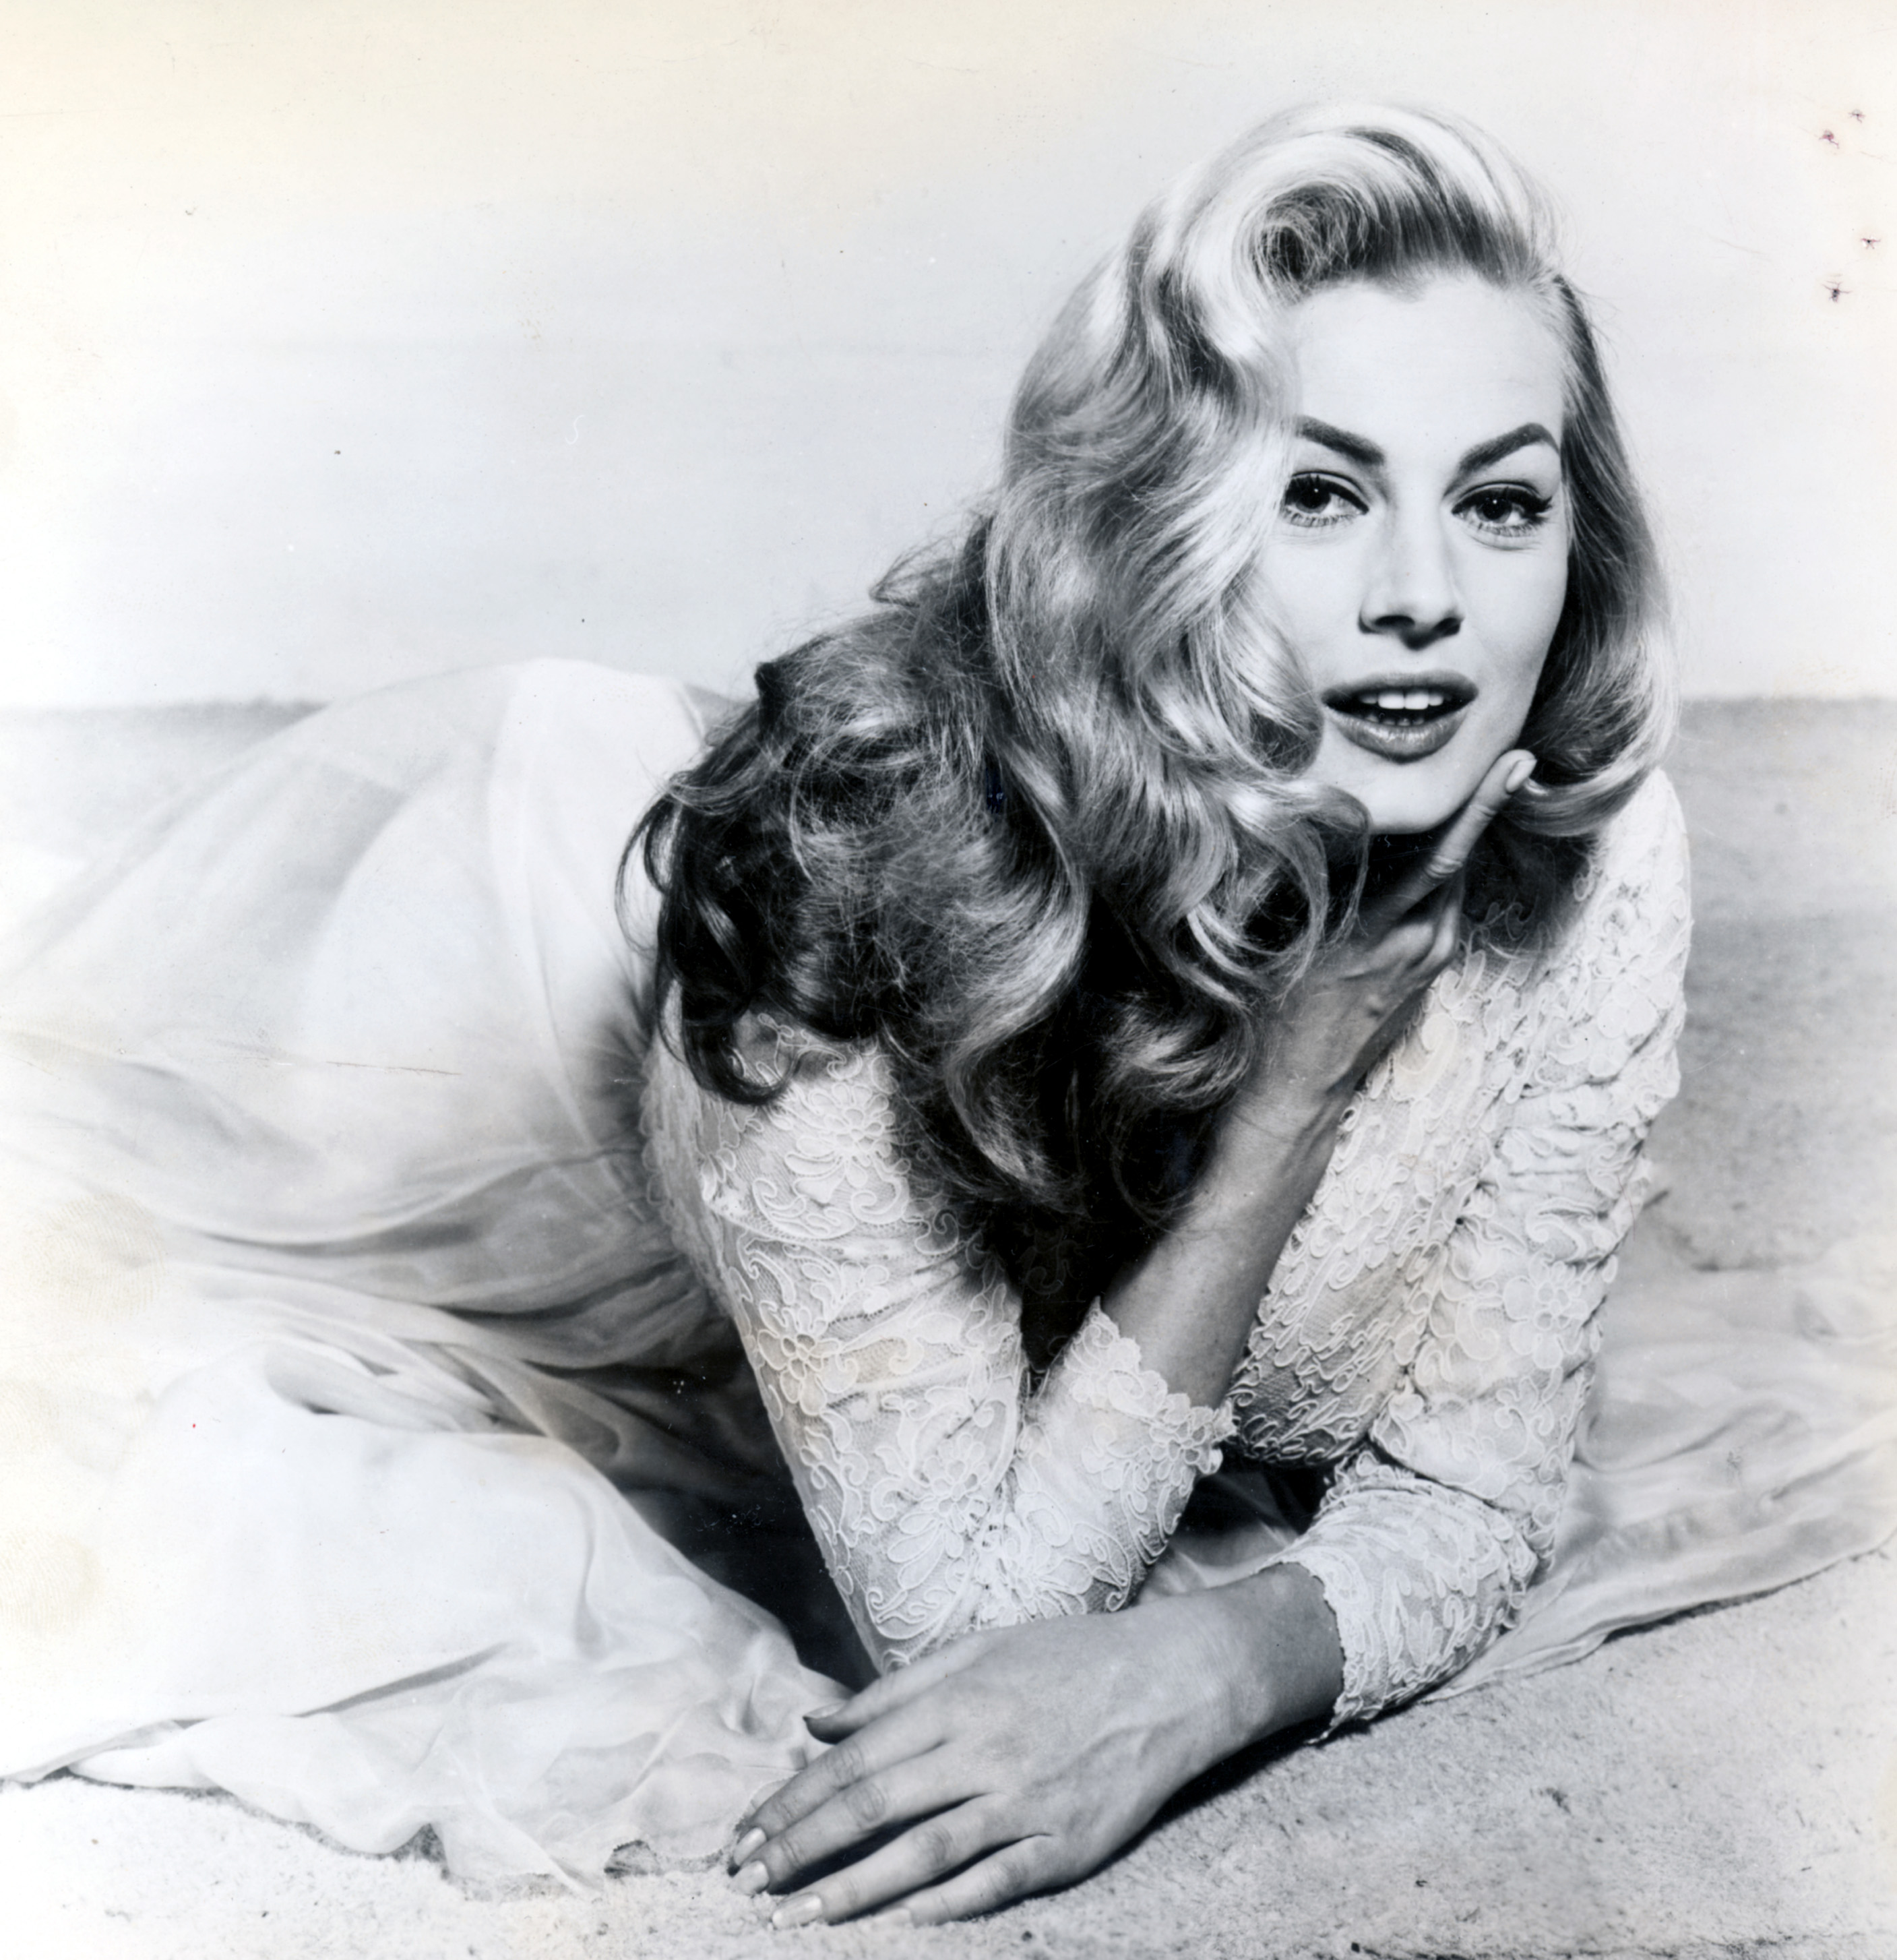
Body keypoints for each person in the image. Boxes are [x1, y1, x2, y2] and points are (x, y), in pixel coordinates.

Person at [0, 102, 1886, 1924]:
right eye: (1318, 493)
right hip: (475, 1010)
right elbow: (974, 1644)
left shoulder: (1594, 836)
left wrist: (1220, 1669)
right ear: (1168, 523)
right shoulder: (834, 888)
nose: (1425, 600)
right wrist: (1299, 1084)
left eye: (1500, 501)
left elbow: (1475, 1491)